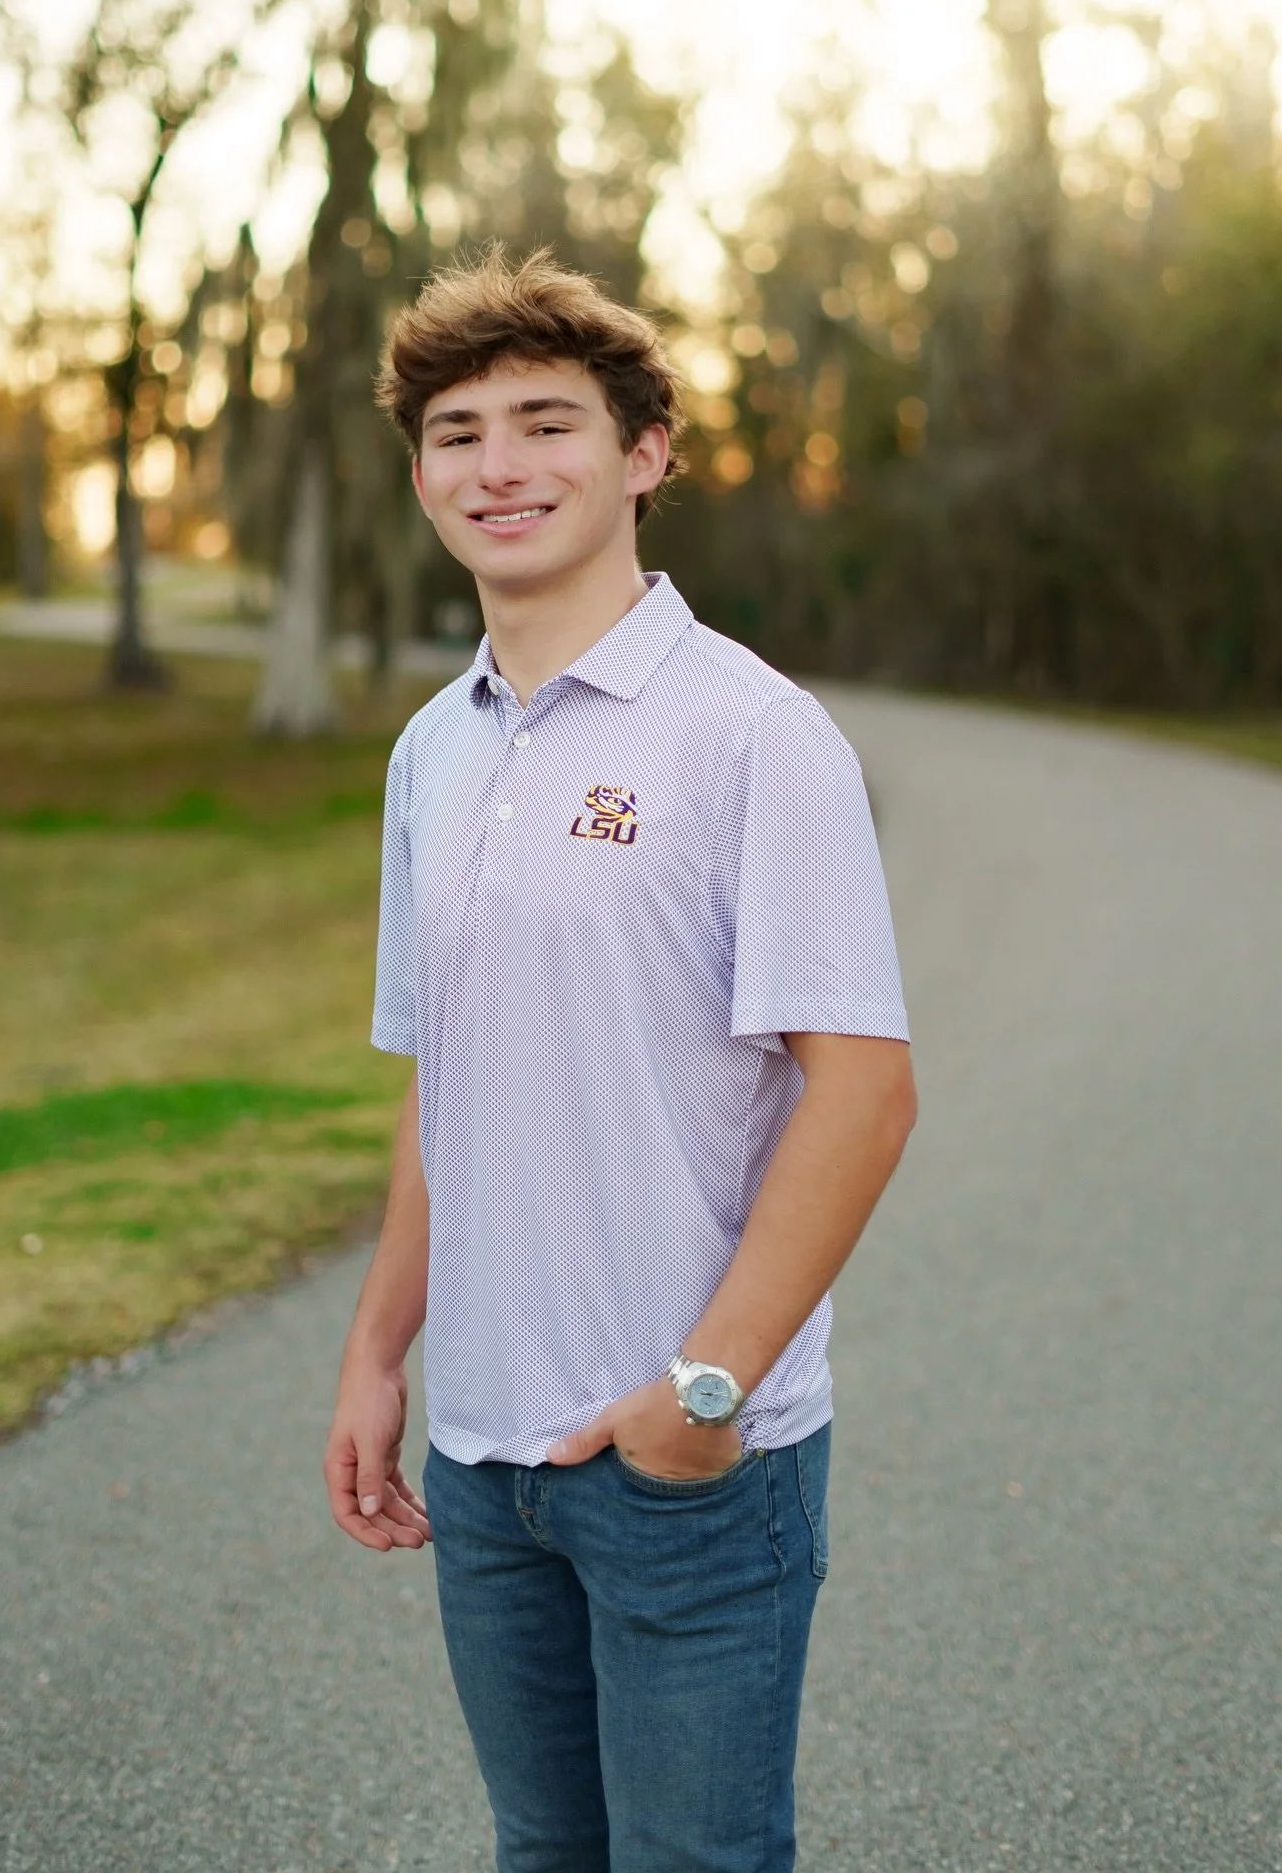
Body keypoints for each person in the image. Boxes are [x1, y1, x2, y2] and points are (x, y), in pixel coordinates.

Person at [324, 246, 917, 1873]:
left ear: (645, 455)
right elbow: (446, 1080)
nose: (497, 466)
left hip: (689, 1463)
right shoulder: (434, 749)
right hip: (481, 1457)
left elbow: (866, 1092)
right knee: (544, 1854)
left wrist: (703, 1393)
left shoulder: (753, 733)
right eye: (457, 434)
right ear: (423, 477)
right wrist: (379, 1355)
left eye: (546, 423)